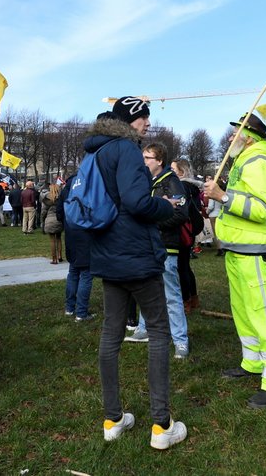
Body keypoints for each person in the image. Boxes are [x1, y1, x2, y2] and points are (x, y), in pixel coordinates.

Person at [84, 98, 187, 450]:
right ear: (133, 120)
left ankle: (112, 419)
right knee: (159, 332)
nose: (147, 126)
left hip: (108, 254)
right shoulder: (126, 149)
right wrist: (165, 206)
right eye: (145, 119)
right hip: (136, 255)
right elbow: (136, 202)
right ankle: (162, 426)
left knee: (110, 335)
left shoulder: (95, 152)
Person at [202, 113, 266, 410]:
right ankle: (252, 362)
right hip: (236, 249)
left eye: (234, 133)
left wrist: (223, 197)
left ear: (249, 136)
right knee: (242, 311)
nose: (228, 139)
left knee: (261, 314)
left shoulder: (259, 162)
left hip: (252, 251)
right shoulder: (245, 160)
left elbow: (262, 210)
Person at [125, 142, 191, 359]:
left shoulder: (172, 183)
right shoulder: (147, 182)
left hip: (166, 247)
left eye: (147, 158)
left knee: (171, 295)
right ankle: (143, 329)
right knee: (146, 290)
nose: (143, 162)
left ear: (159, 161)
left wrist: (152, 221)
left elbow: (181, 214)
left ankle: (180, 340)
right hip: (147, 246)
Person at [57, 174, 95, 321]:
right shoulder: (89, 185)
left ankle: (70, 307)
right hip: (86, 232)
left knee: (73, 271)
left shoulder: (67, 187)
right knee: (85, 273)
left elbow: (59, 210)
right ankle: (81, 312)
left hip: (71, 231)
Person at [171, 158, 202, 311]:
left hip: (183, 229)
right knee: (185, 266)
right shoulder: (192, 186)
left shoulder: (182, 186)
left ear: (181, 172)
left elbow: (179, 208)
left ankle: (186, 301)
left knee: (181, 267)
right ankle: (193, 297)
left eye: (173, 170)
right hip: (190, 230)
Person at [42, 183, 63, 264]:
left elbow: (43, 212)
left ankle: (54, 259)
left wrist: (42, 220)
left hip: (49, 220)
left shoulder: (47, 200)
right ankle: (60, 256)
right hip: (59, 220)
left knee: (52, 241)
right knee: (59, 238)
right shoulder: (61, 198)